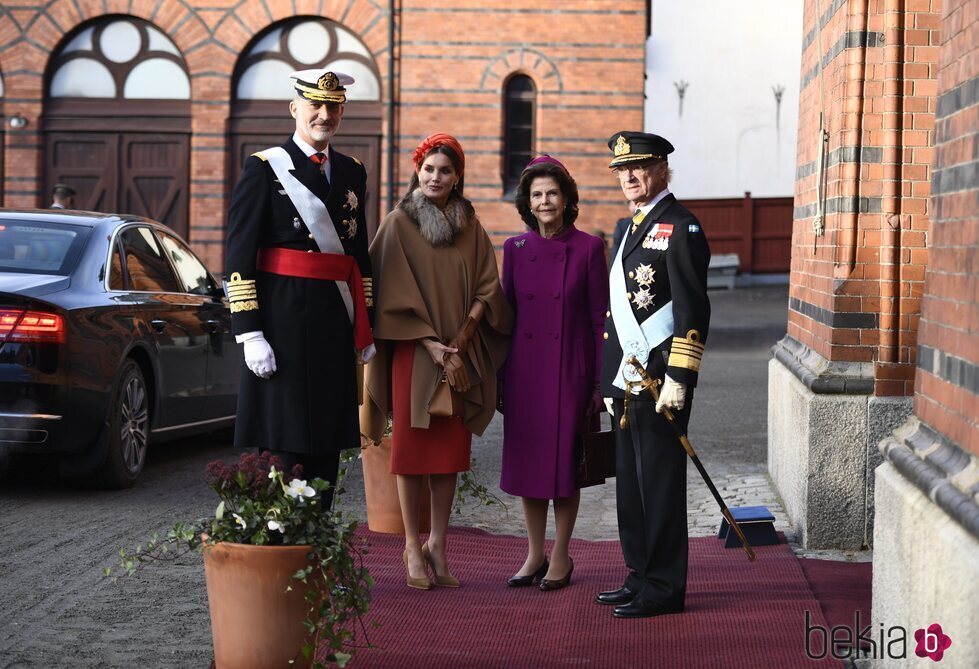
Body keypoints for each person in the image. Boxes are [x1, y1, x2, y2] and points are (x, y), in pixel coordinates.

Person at [362, 133, 511, 590]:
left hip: (459, 354)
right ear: (417, 170)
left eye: (445, 170)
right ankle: (410, 544)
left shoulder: (471, 226)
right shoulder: (397, 224)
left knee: (449, 453)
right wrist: (432, 346)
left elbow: (489, 286)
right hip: (414, 352)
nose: (436, 177)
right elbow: (385, 293)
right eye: (429, 169)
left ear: (457, 176)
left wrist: (463, 339)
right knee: (410, 451)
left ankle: (439, 544)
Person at [224, 67, 373, 501]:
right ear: (295, 109)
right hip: (281, 322)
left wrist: (365, 320)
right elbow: (239, 254)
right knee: (283, 441)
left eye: (333, 107)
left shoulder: (351, 170)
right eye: (315, 105)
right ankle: (279, 547)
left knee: (327, 437)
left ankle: (318, 545)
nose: (323, 115)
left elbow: (356, 252)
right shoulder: (264, 168)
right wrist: (249, 332)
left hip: (332, 319)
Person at [597, 131, 711, 618]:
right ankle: (640, 573)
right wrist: (608, 381)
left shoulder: (682, 227)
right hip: (628, 379)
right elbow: (614, 312)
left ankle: (665, 587)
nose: (629, 177)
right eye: (622, 170)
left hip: (660, 381)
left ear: (663, 168)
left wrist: (679, 381)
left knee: (660, 485)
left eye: (639, 168)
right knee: (632, 485)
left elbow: (692, 310)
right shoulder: (627, 227)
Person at [499, 155, 608, 591]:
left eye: (552, 193)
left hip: (570, 372)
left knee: (565, 465)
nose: (545, 201)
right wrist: (499, 377)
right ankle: (534, 553)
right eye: (537, 194)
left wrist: (600, 382)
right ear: (527, 202)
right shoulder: (514, 250)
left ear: (566, 199)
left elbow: (601, 319)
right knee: (529, 464)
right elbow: (506, 319)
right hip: (524, 372)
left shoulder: (588, 248)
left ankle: (561, 553)